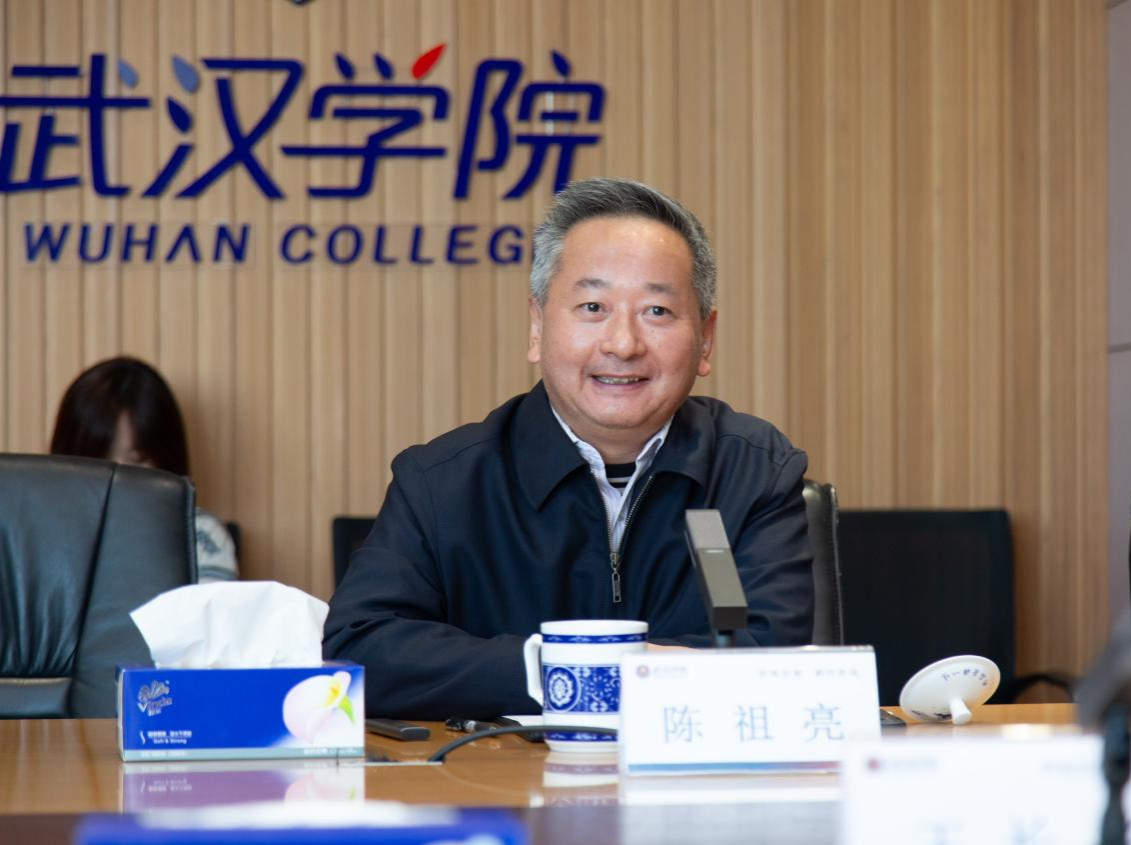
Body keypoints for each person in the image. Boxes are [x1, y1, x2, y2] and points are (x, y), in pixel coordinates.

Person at [324, 178, 812, 719]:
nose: (622, 344)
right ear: (537, 326)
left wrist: (605, 670)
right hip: (499, 771)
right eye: (592, 306)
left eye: (656, 311)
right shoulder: (442, 482)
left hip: (689, 768)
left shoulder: (754, 470)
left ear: (706, 338)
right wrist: (564, 668)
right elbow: (361, 649)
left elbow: (775, 661)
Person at [49, 357, 238, 584]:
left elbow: (211, 608)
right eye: (98, 462)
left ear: (166, 458)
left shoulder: (199, 537)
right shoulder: (36, 535)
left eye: (136, 461)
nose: (116, 480)